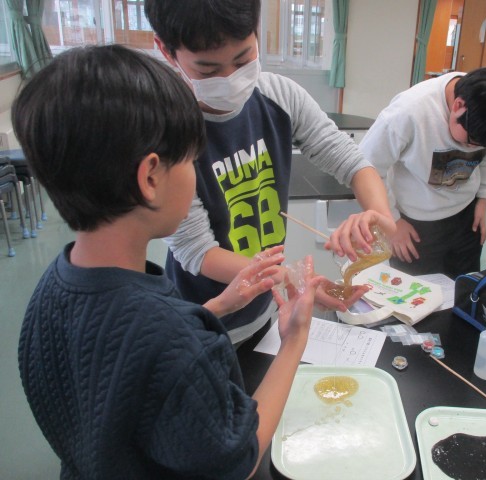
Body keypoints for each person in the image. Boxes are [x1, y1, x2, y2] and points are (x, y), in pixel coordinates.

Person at [14, 45, 324, 479]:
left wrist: (212, 310)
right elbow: (240, 456)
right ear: (150, 177)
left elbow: (122, 367)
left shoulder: (50, 292)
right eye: (191, 161)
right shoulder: (172, 342)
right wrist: (293, 340)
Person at [144, 0, 396, 344]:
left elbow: (350, 160)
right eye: (208, 70)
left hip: (266, 307)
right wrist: (291, 279)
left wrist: (380, 215)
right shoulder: (167, 132)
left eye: (243, 60)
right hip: (206, 316)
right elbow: (197, 250)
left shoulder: (278, 95)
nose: (230, 79)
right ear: (166, 50)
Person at [359, 67, 486, 278]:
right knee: (417, 293)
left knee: (464, 287)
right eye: (472, 142)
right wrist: (393, 222)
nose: (473, 149)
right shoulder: (408, 112)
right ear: (458, 106)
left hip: (466, 216)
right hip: (414, 224)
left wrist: (483, 199)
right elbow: (367, 168)